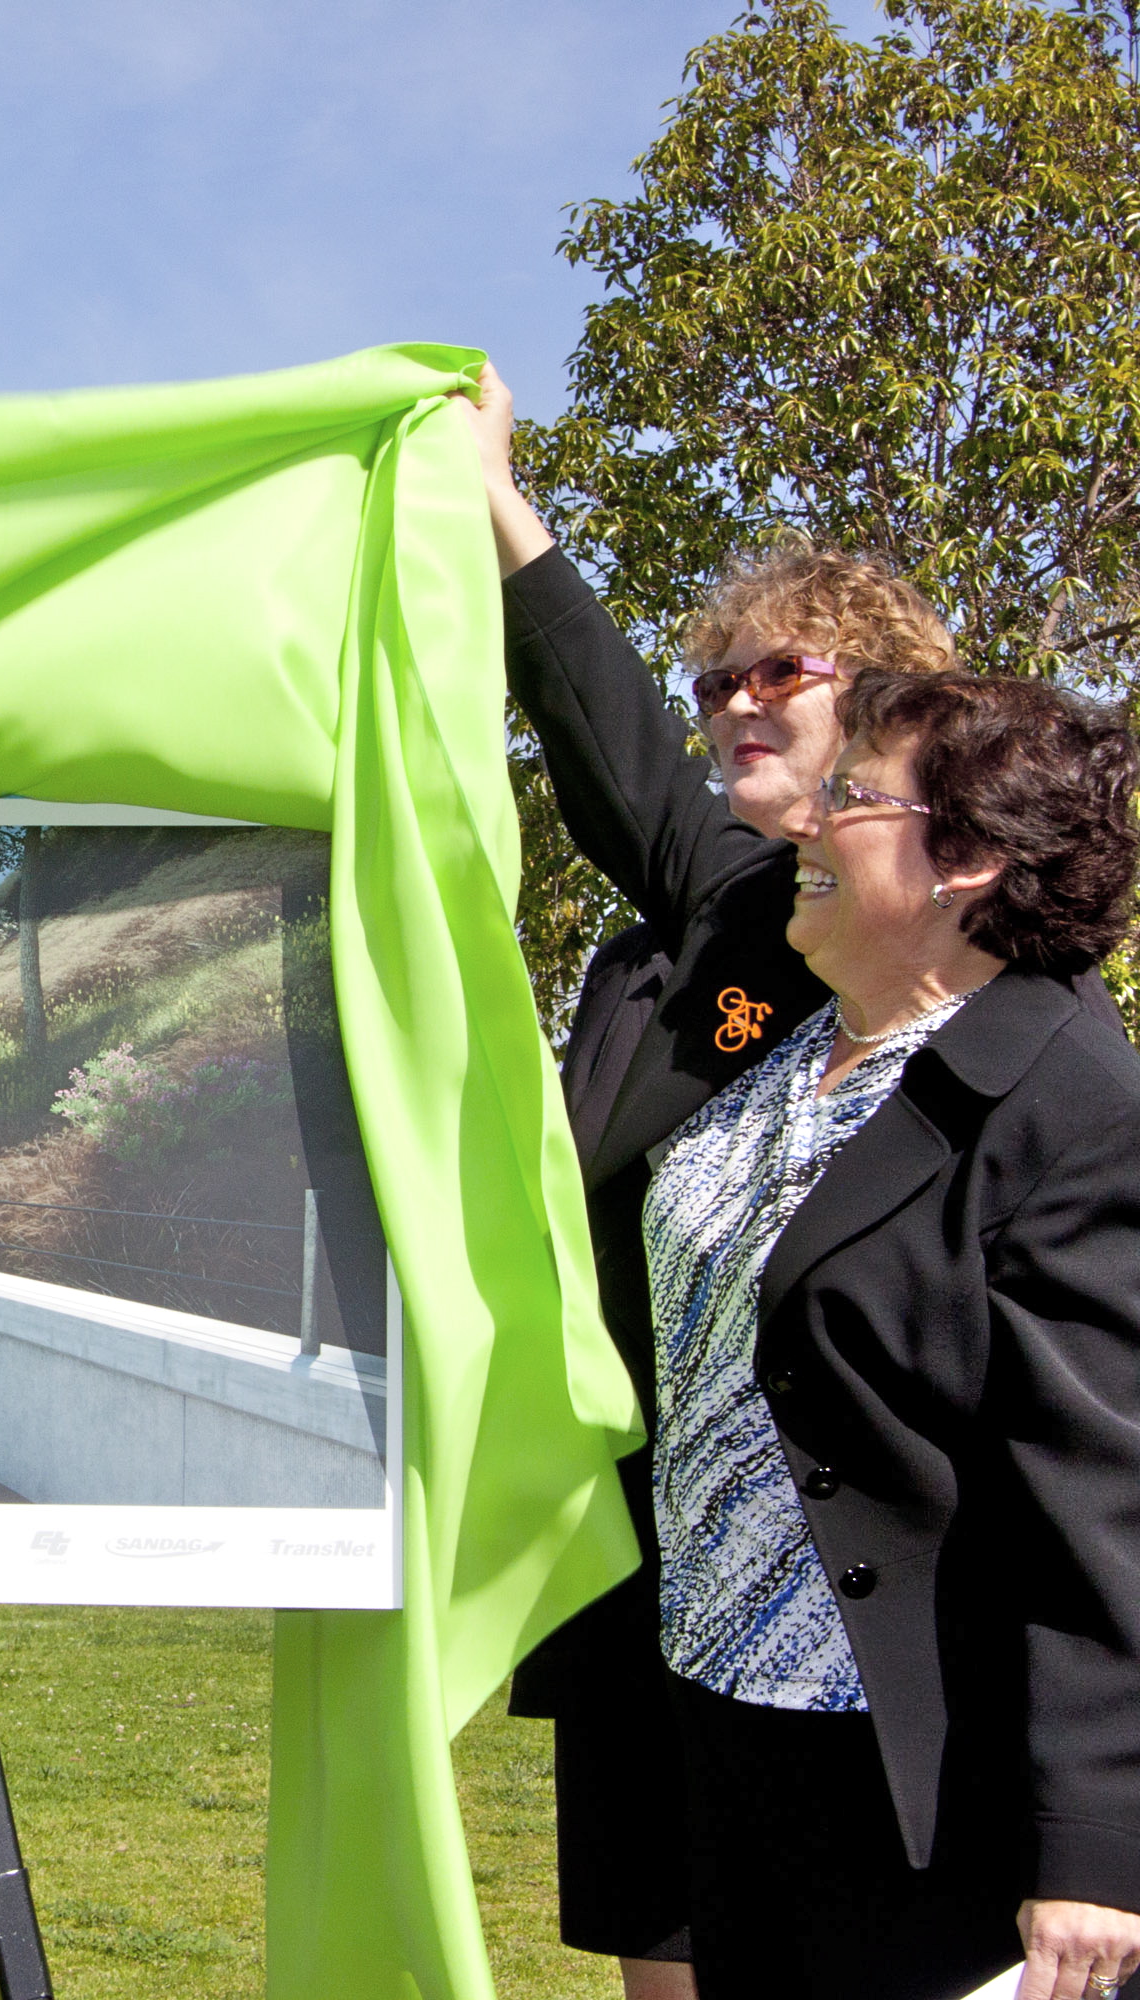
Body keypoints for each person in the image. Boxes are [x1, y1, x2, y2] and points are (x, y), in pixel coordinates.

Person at [469, 366, 1140, 1999]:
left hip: (893, 1705)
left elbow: (1087, 1473)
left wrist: (1094, 1844)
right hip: (680, 1631)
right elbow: (608, 734)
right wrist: (492, 503)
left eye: (784, 672)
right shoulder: (741, 946)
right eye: (714, 684)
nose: (732, 705)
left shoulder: (1020, 1044)